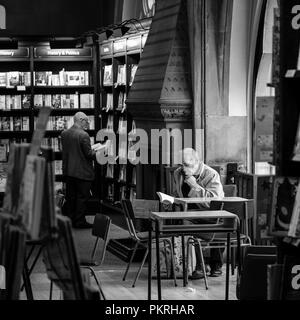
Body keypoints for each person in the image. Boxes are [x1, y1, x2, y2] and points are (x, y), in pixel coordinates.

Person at [173, 148, 225, 279]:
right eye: (181, 164)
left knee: (188, 223)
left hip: (210, 215)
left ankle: (209, 265)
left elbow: (214, 202)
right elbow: (177, 195)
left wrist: (195, 186)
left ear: (197, 162)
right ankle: (196, 265)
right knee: (183, 222)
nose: (183, 169)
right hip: (189, 213)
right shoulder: (178, 173)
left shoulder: (211, 174)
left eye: (187, 165)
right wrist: (170, 201)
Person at [61, 112, 96, 229]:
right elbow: (89, 154)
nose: (88, 123)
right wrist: (99, 150)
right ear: (80, 120)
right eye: (87, 120)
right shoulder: (83, 135)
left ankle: (71, 220)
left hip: (69, 172)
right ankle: (80, 221)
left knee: (71, 197)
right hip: (82, 172)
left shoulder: (64, 134)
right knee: (82, 198)